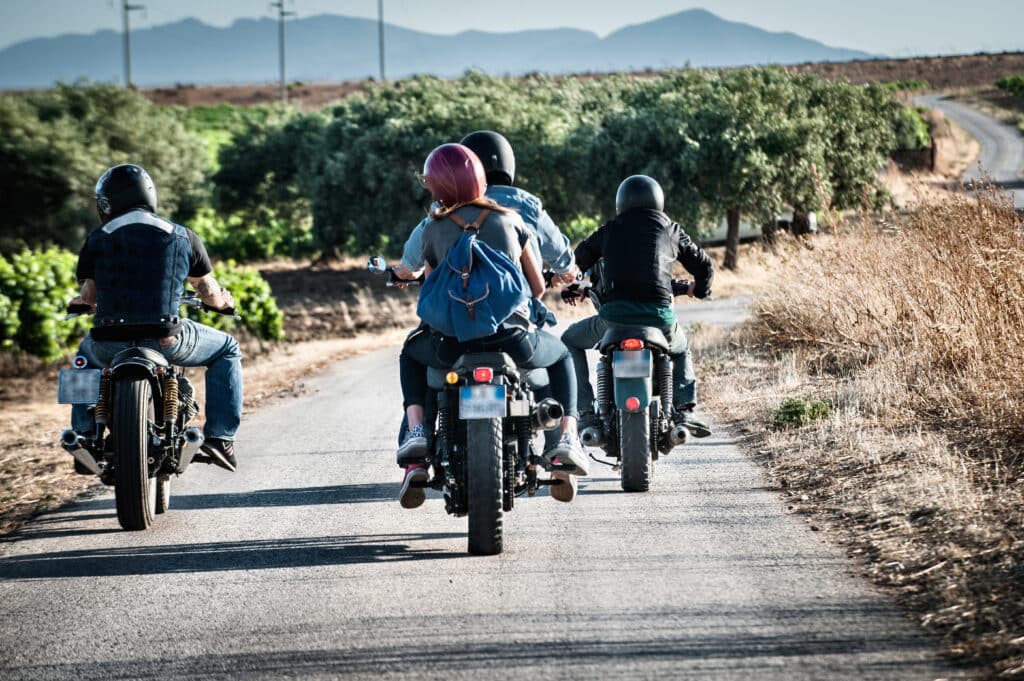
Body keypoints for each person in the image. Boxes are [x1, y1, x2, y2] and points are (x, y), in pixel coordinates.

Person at [397, 143, 589, 508]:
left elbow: (432, 293)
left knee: (410, 353)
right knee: (563, 354)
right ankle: (567, 436)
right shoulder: (511, 219)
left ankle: (418, 431)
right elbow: (536, 287)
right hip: (512, 340)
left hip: (452, 345)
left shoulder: (432, 228)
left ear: (437, 185)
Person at [69, 164, 243, 471]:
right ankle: (220, 438)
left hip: (109, 342)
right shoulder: (182, 235)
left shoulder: (97, 238)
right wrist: (222, 303)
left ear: (107, 203)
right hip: (165, 339)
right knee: (228, 348)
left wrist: (81, 302)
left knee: (83, 356)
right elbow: (207, 290)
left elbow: (90, 295)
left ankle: (83, 436)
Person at [562, 174, 713, 436]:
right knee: (681, 349)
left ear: (621, 202)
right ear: (658, 200)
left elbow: (576, 262)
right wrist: (700, 289)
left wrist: (572, 283)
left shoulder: (610, 230)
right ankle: (684, 409)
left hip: (614, 320)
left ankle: (585, 411)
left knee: (569, 340)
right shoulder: (670, 229)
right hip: (660, 319)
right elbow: (704, 265)